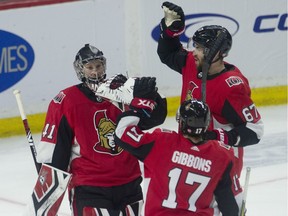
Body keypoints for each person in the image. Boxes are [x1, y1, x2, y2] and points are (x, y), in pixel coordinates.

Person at [35, 44, 167, 216]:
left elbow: (154, 119)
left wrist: (150, 96)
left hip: (129, 184)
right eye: (89, 67)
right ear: (80, 70)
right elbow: (55, 151)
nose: (95, 71)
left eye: (98, 66)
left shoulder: (122, 94)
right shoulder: (66, 101)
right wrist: (48, 174)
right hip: (90, 188)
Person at [157, 2, 264, 180]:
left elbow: (254, 130)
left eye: (200, 48)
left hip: (221, 168)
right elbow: (167, 54)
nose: (195, 52)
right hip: (192, 160)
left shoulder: (230, 86)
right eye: (196, 46)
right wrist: (171, 33)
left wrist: (215, 136)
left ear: (218, 53)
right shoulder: (192, 63)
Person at [114, 94, 239, 216]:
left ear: (182, 122)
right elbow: (228, 204)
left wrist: (139, 105)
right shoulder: (222, 155)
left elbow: (121, 133)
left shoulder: (162, 142)